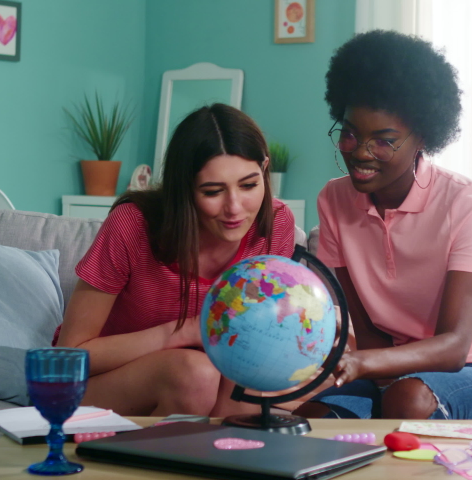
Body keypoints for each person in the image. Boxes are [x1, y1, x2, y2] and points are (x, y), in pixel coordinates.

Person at [293, 30, 472, 420]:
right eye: (351, 133)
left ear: (422, 137)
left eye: (384, 140)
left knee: (407, 400)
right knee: (311, 422)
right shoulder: (334, 200)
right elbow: (368, 330)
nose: (360, 152)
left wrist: (364, 365)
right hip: (395, 373)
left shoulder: (465, 202)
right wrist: (368, 369)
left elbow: (455, 347)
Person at [55, 103, 295, 417]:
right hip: (91, 384)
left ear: (264, 169)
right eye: (212, 191)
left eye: (249, 185)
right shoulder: (133, 224)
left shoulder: (275, 224)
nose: (235, 208)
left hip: (209, 383)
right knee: (195, 375)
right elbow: (68, 357)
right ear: (184, 187)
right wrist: (186, 331)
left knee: (250, 377)